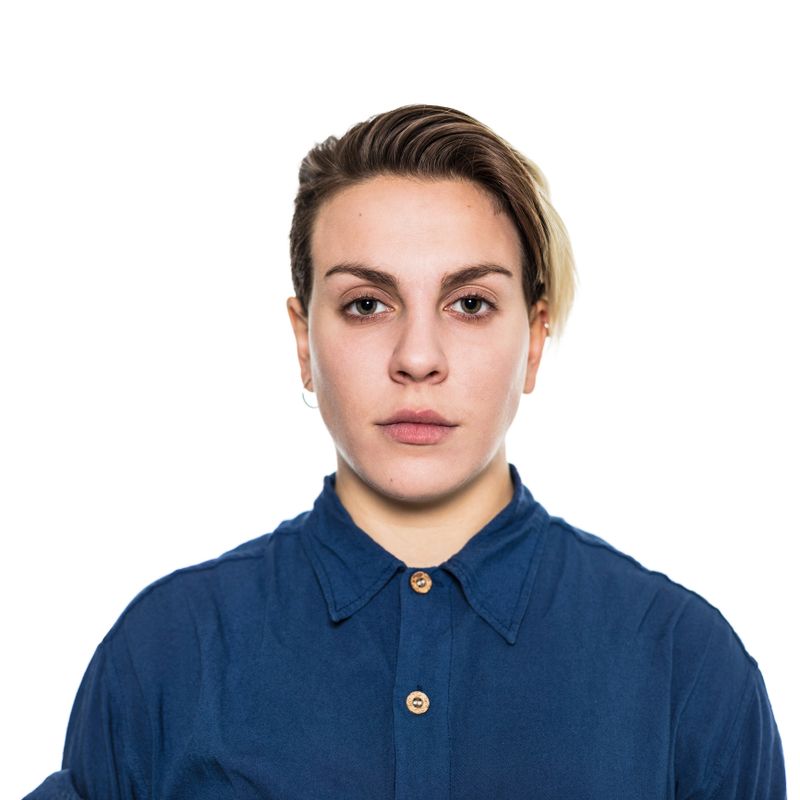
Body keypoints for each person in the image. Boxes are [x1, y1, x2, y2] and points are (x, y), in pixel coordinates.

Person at [25, 104, 786, 799]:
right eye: (366, 304)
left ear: (534, 340)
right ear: (304, 340)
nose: (418, 357)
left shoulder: (688, 668)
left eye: (470, 304)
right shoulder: (165, 654)